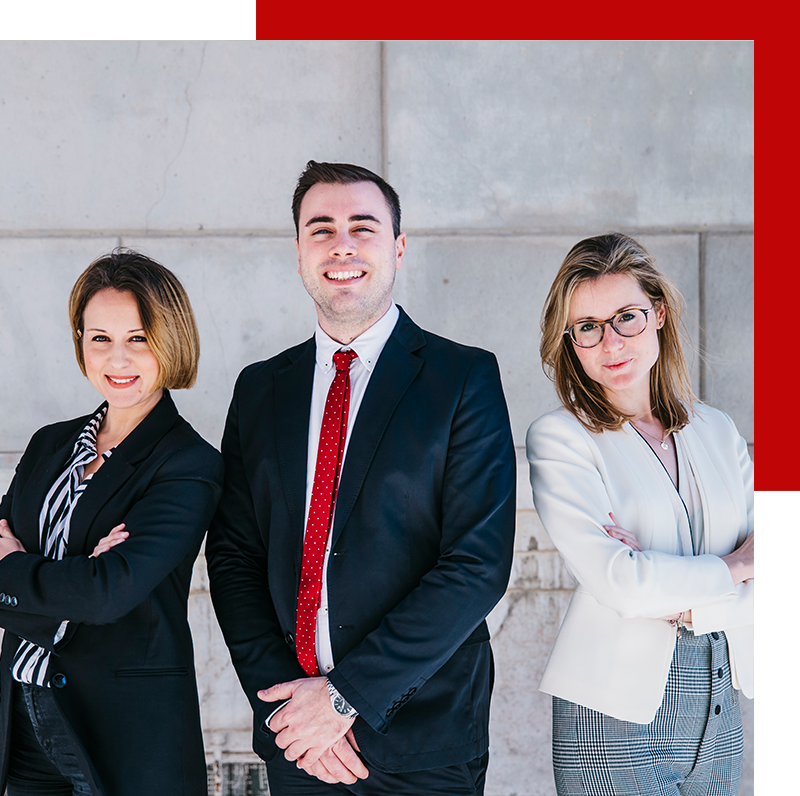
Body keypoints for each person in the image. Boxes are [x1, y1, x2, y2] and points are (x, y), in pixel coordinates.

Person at [206, 160, 516, 795]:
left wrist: (344, 697)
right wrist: (292, 710)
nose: (341, 245)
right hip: (297, 739)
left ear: (397, 248)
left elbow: (477, 565)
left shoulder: (463, 378)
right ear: (298, 253)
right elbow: (235, 557)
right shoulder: (260, 389)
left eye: (363, 227)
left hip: (422, 743)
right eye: (320, 229)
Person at [526, 233, 753, 796]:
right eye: (587, 327)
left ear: (659, 314)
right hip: (612, 722)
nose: (611, 343)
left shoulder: (717, 430)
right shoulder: (561, 439)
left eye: (627, 317)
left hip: (720, 715)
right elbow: (621, 584)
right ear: (570, 341)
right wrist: (737, 566)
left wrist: (673, 595)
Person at [0, 250, 224, 796]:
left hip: (121, 733)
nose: (117, 358)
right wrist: (77, 578)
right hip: (23, 719)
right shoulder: (49, 444)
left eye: (138, 338)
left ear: (169, 339)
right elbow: (91, 589)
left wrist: (16, 568)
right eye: (99, 337)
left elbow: (106, 595)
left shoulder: (188, 464)